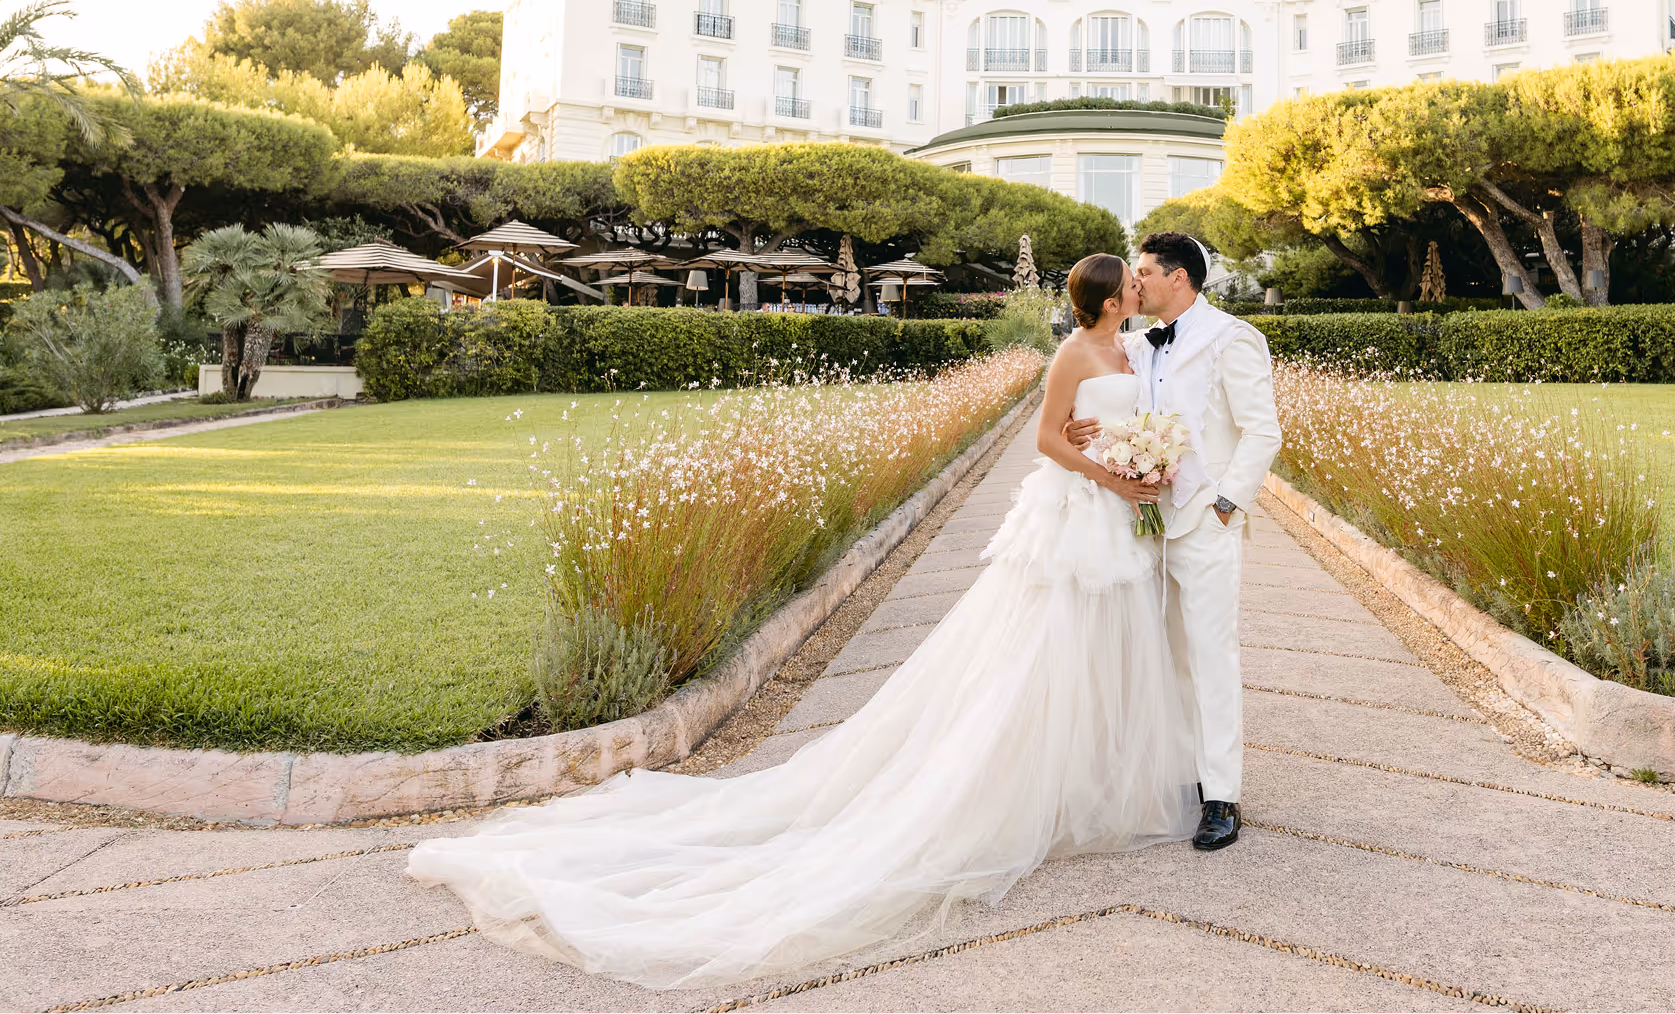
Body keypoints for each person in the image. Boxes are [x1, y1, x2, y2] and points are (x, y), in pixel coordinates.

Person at [406, 253, 1195, 990]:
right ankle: (1033, 783)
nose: (1138, 285)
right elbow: (1044, 438)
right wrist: (1108, 473)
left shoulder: (1140, 351)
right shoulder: (1072, 355)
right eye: (1128, 280)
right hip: (1083, 512)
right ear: (1102, 297)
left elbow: (1134, 415)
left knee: (1114, 643)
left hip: (1123, 516)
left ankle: (1100, 775)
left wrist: (1140, 461)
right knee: (1048, 650)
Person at [1063, 231, 1281, 850]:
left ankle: (1221, 796)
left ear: (1178, 277)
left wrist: (1224, 506)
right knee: (1161, 658)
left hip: (1203, 525)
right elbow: (1101, 395)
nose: (1136, 283)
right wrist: (1081, 429)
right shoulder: (1132, 342)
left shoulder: (1234, 338)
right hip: (1140, 526)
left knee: (1211, 657)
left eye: (1145, 272)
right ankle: (1179, 773)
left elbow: (1263, 433)